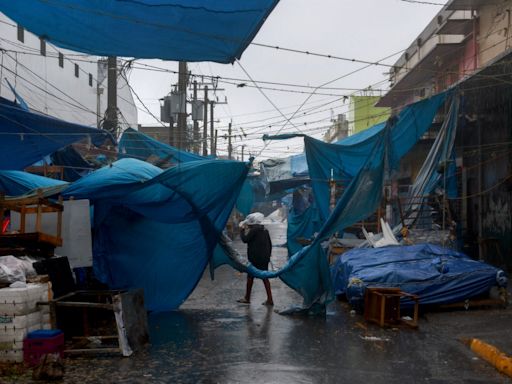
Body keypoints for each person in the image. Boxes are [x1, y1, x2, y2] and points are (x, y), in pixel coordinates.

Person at [237, 213, 274, 306]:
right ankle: (270, 299)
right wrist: (268, 256)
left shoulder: (254, 230)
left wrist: (241, 230)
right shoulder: (264, 230)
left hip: (255, 258)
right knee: (265, 277)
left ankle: (247, 298)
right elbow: (270, 244)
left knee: (250, 277)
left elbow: (245, 239)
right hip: (264, 258)